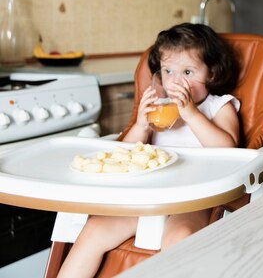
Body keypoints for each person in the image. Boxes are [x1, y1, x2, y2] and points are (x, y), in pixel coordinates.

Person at [58, 23, 240, 278]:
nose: (177, 81)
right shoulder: (159, 107)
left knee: (181, 239)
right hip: (145, 195)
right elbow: (125, 153)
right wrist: (142, 125)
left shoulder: (218, 106)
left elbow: (229, 149)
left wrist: (191, 113)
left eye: (188, 71)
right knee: (93, 231)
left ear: (212, 73)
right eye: (168, 71)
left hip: (192, 198)